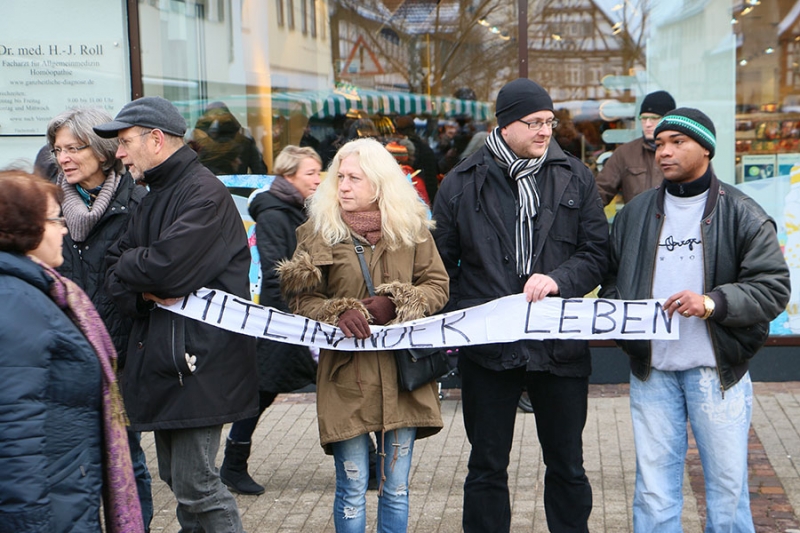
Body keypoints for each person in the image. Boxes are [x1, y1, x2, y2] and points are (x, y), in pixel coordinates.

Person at [600, 108, 791, 532]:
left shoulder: (743, 212)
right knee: (653, 490)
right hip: (653, 371)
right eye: (659, 144)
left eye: (677, 143)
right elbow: (612, 279)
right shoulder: (635, 213)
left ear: (706, 148)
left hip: (717, 371)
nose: (663, 152)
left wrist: (712, 303)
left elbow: (773, 288)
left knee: (726, 489)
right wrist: (628, 324)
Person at [432, 78, 609, 533]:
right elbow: (438, 265)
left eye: (550, 121)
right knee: (487, 464)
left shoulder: (575, 175)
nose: (546, 130)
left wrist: (558, 279)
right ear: (506, 124)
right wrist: (473, 315)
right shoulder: (460, 183)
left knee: (567, 463)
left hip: (560, 344)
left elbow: (596, 253)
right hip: (490, 350)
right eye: (535, 122)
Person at [96, 96, 259, 532]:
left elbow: (166, 271)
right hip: (171, 361)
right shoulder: (156, 193)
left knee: (197, 484)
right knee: (179, 478)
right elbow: (113, 273)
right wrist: (144, 291)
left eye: (126, 141)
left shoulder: (202, 193)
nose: (120, 153)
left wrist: (143, 274)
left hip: (199, 363)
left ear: (155, 139)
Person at [278, 137, 449, 532]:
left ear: (379, 183)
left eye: (354, 178)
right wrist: (337, 312)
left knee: (396, 488)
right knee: (353, 486)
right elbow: (301, 300)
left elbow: (438, 285)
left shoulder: (412, 229)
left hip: (404, 379)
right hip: (345, 378)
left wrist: (400, 300)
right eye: (340, 177)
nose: (343, 186)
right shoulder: (316, 231)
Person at [0, 170, 142, 533]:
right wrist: (31, 522)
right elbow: (15, 435)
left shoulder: (38, 292)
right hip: (48, 508)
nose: (63, 228)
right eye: (53, 219)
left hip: (63, 494)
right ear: (22, 228)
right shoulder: (16, 303)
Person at [46, 107, 153, 531]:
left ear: (104, 150)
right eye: (58, 150)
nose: (65, 158)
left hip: (119, 356)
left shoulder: (137, 203)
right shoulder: (48, 206)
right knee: (74, 460)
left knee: (127, 458)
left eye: (75, 148)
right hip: (64, 354)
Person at [220, 145, 322, 495]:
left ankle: (365, 461)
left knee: (325, 383)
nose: (318, 179)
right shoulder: (275, 214)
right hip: (284, 319)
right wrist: (295, 317)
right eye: (311, 172)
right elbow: (276, 270)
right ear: (289, 174)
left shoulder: (298, 209)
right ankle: (233, 465)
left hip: (299, 317)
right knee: (263, 390)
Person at [595, 90, 676, 206]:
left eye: (654, 118)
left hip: (675, 223)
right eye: (643, 118)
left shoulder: (685, 152)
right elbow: (599, 193)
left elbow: (706, 192)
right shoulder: (625, 153)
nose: (647, 124)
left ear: (668, 119)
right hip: (637, 223)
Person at [190, 101, 268, 176]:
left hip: (206, 188)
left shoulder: (195, 143)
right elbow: (260, 171)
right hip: (237, 187)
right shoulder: (244, 141)